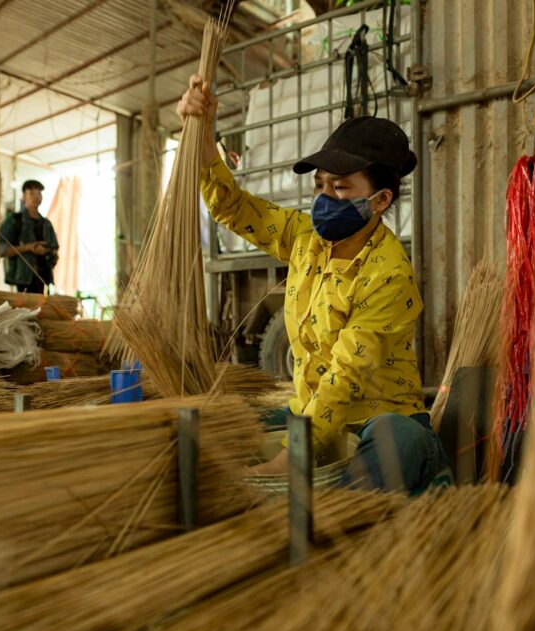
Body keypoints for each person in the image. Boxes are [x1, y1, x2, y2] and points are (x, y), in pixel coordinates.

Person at [177, 75, 450, 494]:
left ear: (380, 201)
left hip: (375, 422)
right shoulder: (305, 238)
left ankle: (339, 515)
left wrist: (289, 459)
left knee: (399, 443)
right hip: (309, 414)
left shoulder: (388, 272)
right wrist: (202, 130)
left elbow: (344, 376)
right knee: (217, 423)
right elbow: (233, 208)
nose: (324, 198)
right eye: (319, 185)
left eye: (340, 188)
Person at [0, 179, 59, 294]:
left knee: (43, 310)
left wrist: (49, 252)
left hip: (45, 278)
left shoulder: (46, 224)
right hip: (23, 280)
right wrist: (29, 247)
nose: (36, 196)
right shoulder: (14, 221)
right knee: (26, 310)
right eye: (31, 193)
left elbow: (54, 249)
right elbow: (0, 250)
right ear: (24, 197)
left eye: (39, 193)